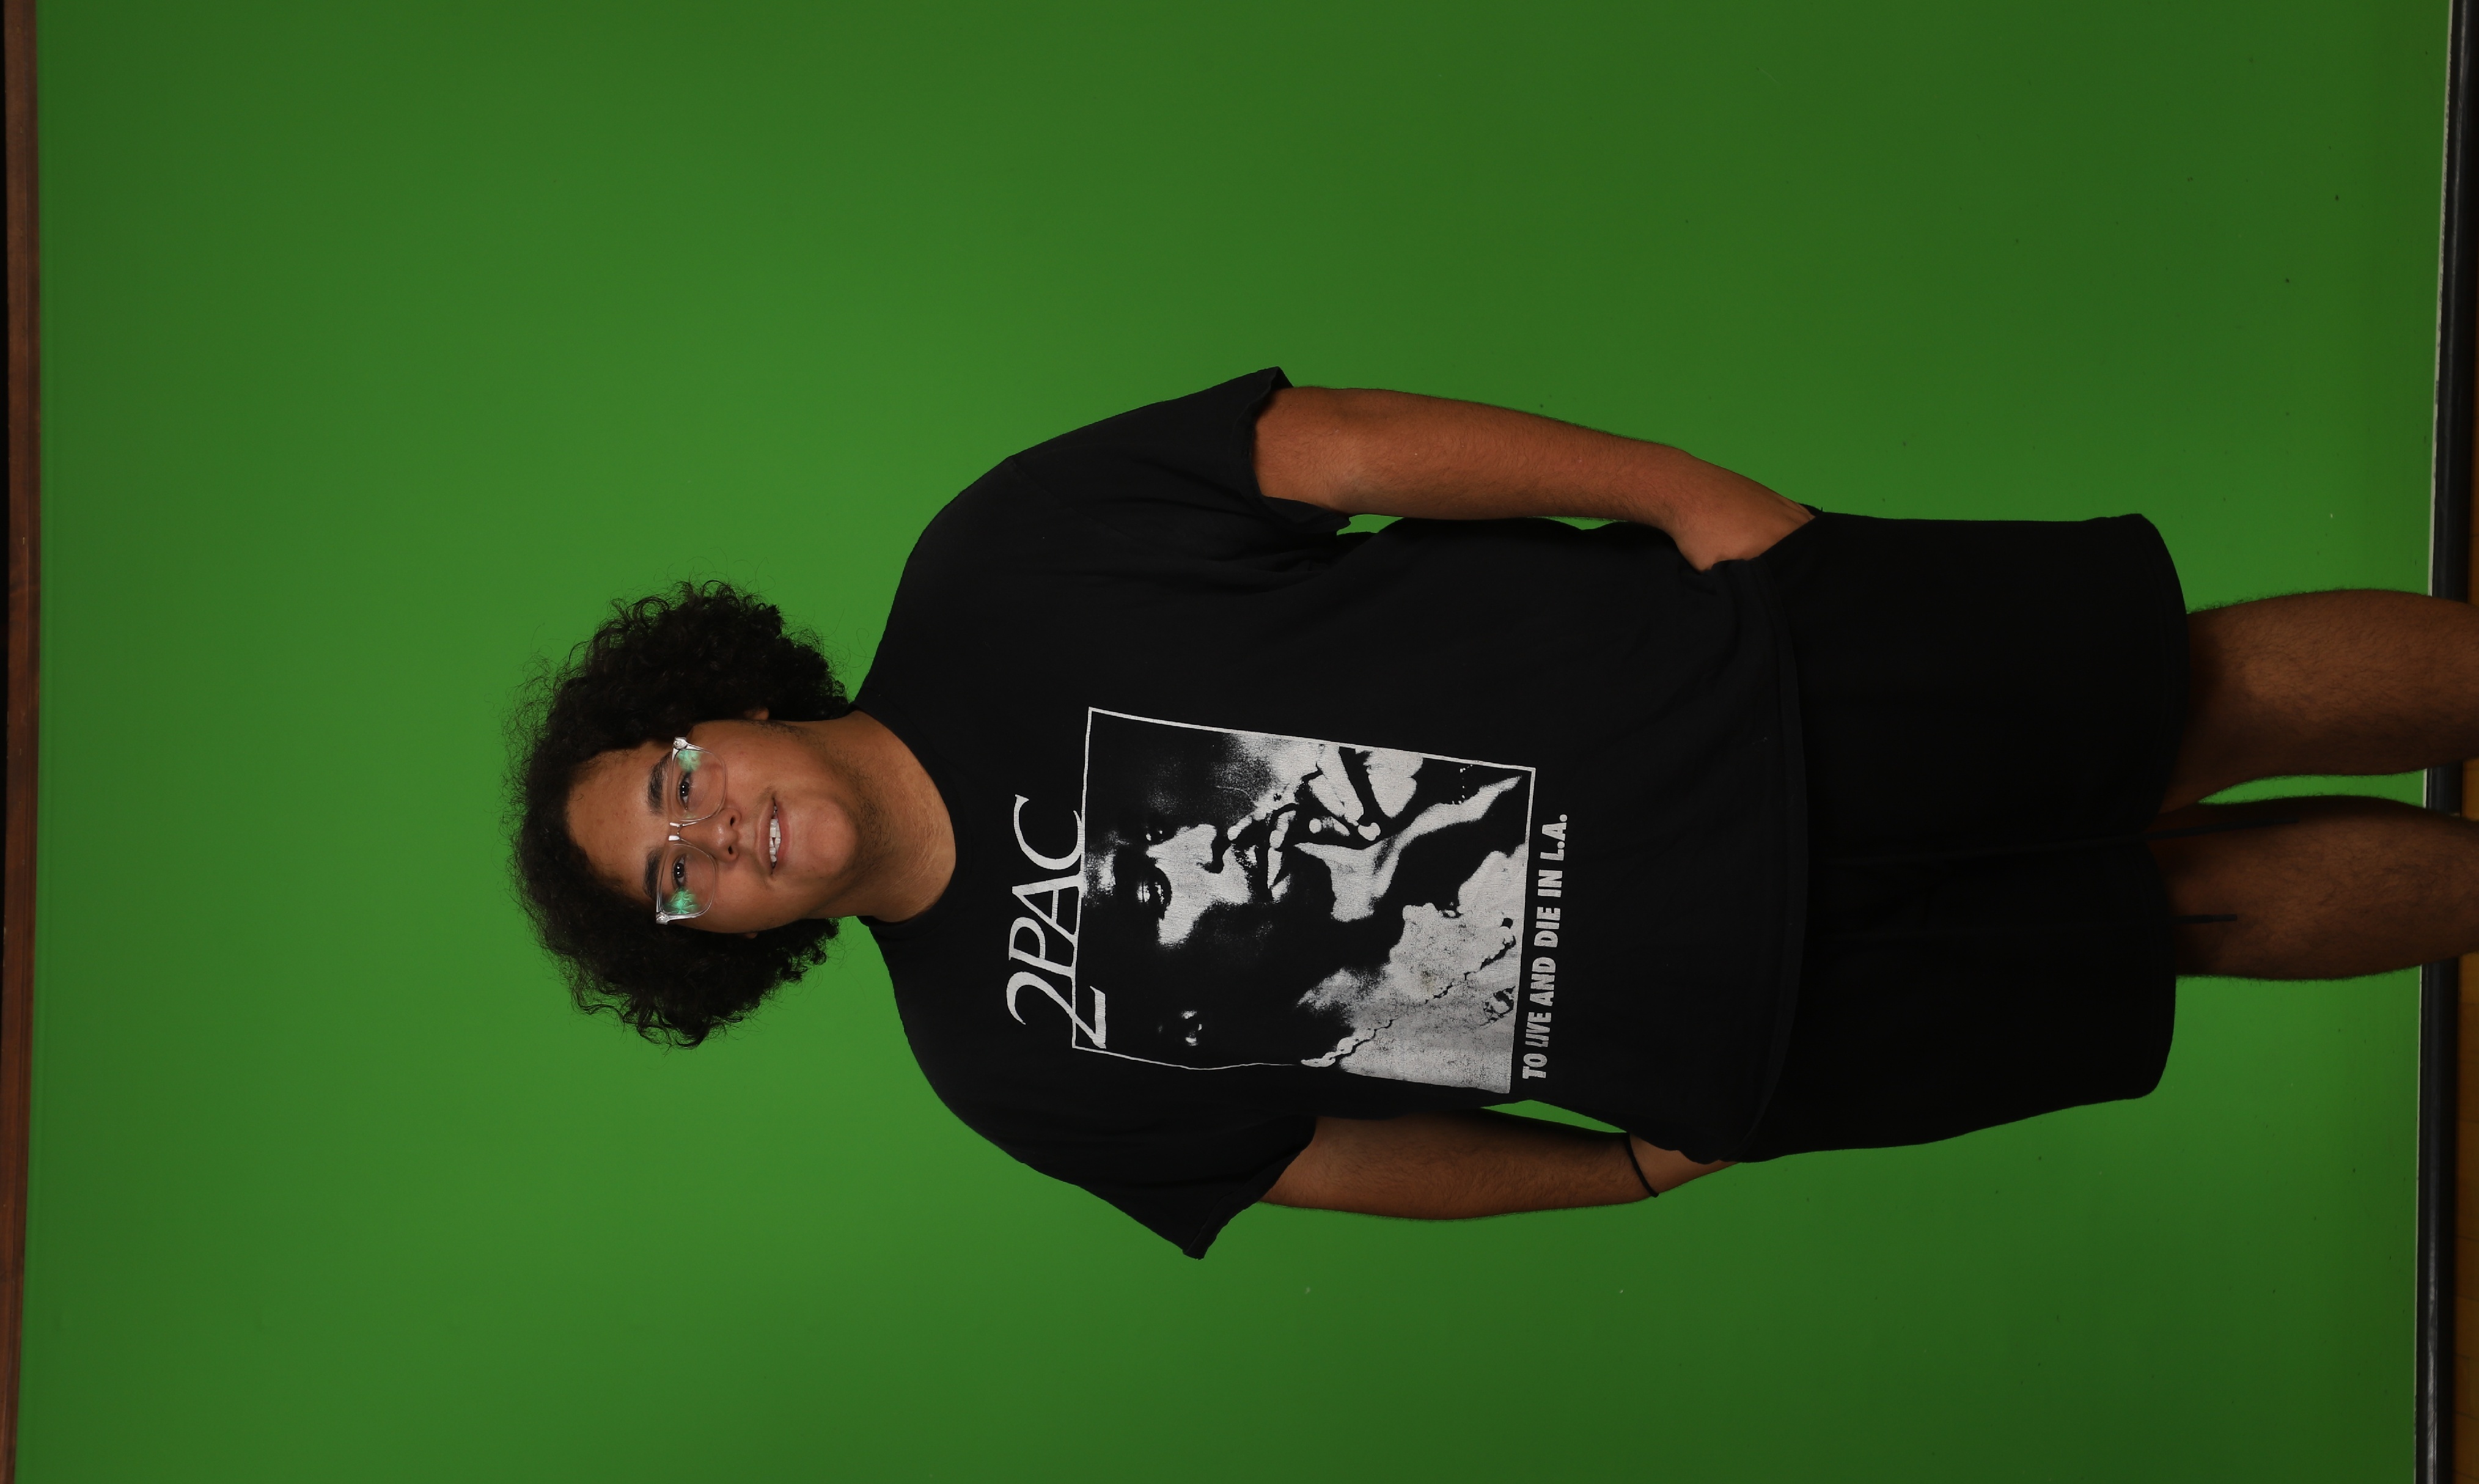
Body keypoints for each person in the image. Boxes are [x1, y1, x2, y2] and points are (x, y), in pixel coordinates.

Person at [516, 369, 2479, 1257]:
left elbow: (1344, 451)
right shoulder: (997, 1064)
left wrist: (1678, 494)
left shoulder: (1001, 558)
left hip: (1757, 683)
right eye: (674, 885)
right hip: (1754, 1021)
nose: (713, 837)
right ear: (724, 948)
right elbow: (1317, 1164)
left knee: (2192, 697)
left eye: (678, 785)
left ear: (728, 705)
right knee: (2184, 922)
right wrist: (1611, 1178)